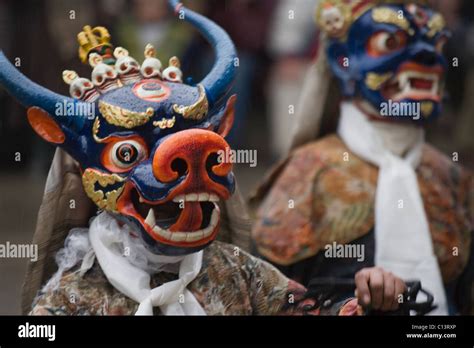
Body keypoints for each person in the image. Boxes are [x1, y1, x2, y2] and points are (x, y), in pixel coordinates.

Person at [0, 0, 333, 316]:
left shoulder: (238, 271)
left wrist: (369, 295)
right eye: (127, 153)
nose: (180, 168)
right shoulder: (69, 299)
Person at [252, 0, 473, 315]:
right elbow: (266, 295)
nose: (424, 56)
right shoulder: (306, 172)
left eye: (434, 43)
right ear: (342, 61)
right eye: (390, 42)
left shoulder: (449, 176)